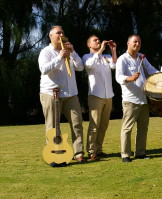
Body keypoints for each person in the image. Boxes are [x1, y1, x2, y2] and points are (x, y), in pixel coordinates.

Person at [38, 25, 86, 162]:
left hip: (71, 93)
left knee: (77, 123)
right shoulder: (46, 52)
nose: (61, 34)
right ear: (51, 36)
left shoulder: (69, 51)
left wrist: (73, 52)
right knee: (53, 125)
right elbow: (44, 69)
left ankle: (78, 153)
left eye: (63, 32)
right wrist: (60, 57)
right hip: (52, 93)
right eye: (58, 32)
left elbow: (80, 67)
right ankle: (54, 153)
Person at [115, 34, 158, 163]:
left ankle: (140, 153)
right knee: (127, 128)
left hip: (143, 98)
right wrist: (129, 78)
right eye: (135, 42)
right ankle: (125, 154)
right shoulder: (122, 59)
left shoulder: (141, 58)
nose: (137, 44)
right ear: (128, 43)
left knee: (143, 128)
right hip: (130, 99)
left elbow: (151, 71)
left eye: (139, 42)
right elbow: (118, 77)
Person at [82, 35, 117, 161]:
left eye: (98, 40)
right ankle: (91, 151)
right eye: (94, 40)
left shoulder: (106, 57)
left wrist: (113, 50)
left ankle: (98, 149)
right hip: (95, 95)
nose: (98, 41)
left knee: (104, 125)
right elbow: (89, 66)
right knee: (94, 124)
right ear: (89, 45)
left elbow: (115, 66)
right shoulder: (87, 57)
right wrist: (101, 50)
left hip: (108, 95)